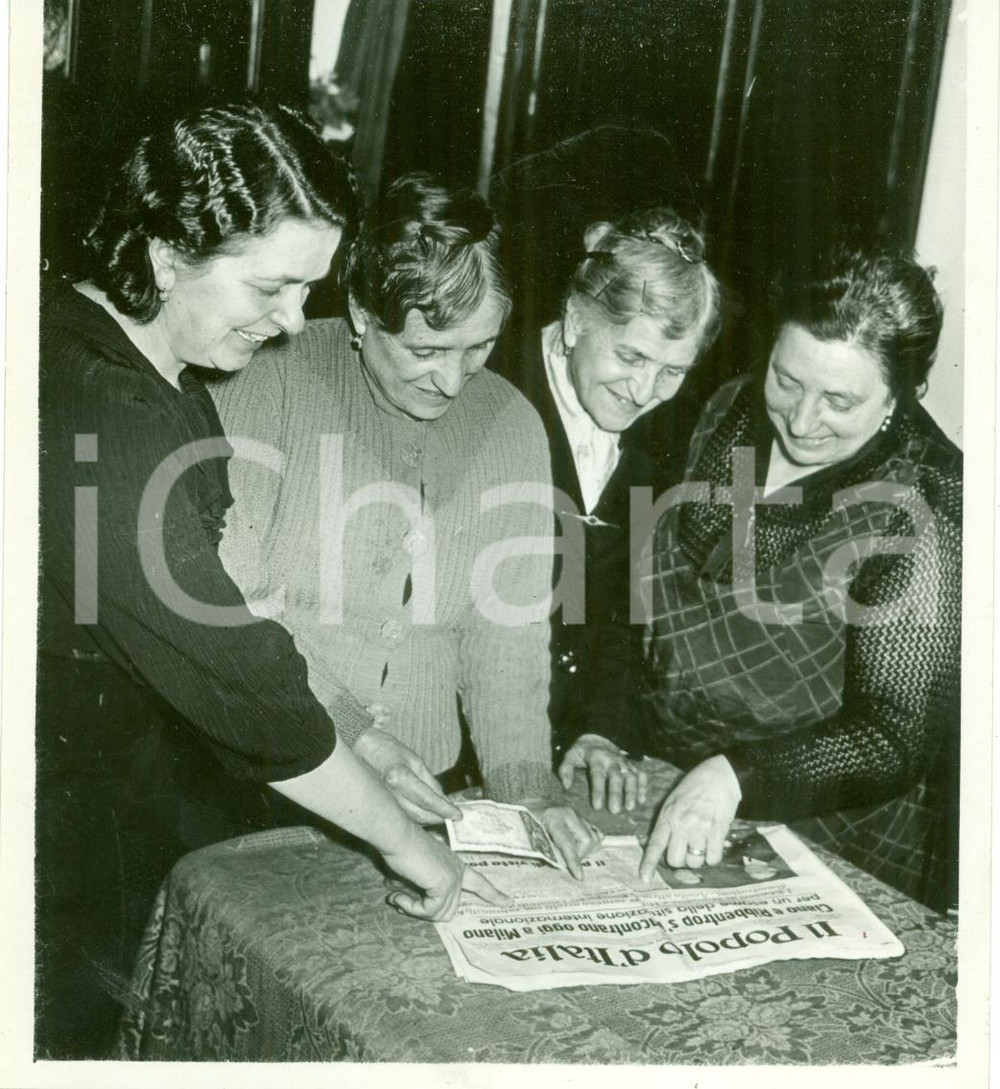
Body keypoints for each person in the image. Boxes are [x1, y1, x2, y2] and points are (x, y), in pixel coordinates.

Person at [36, 105, 506, 1060]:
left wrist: (362, 743)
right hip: (63, 822)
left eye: (308, 290)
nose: (294, 322)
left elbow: (237, 618)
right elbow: (235, 678)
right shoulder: (103, 401)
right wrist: (407, 847)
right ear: (169, 252)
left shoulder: (164, 376)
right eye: (273, 286)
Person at [212, 173, 602, 875]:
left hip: (432, 791)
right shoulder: (267, 377)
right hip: (259, 782)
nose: (453, 381)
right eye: (425, 351)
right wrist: (354, 733)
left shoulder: (511, 423)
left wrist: (527, 790)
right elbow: (238, 603)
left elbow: (506, 636)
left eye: (478, 347)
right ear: (362, 312)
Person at [560, 245, 961, 913]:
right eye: (787, 378)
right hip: (667, 796)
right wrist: (608, 725)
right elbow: (644, 591)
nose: (801, 421)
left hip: (830, 847)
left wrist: (734, 777)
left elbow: (894, 735)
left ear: (899, 395)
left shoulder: (929, 502)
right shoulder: (727, 410)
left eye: (840, 400)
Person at [492, 208, 722, 808]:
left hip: (571, 748)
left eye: (673, 370)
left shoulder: (667, 431)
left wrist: (600, 728)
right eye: (631, 357)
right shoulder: (486, 389)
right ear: (574, 321)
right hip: (465, 743)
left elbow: (625, 600)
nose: (645, 393)